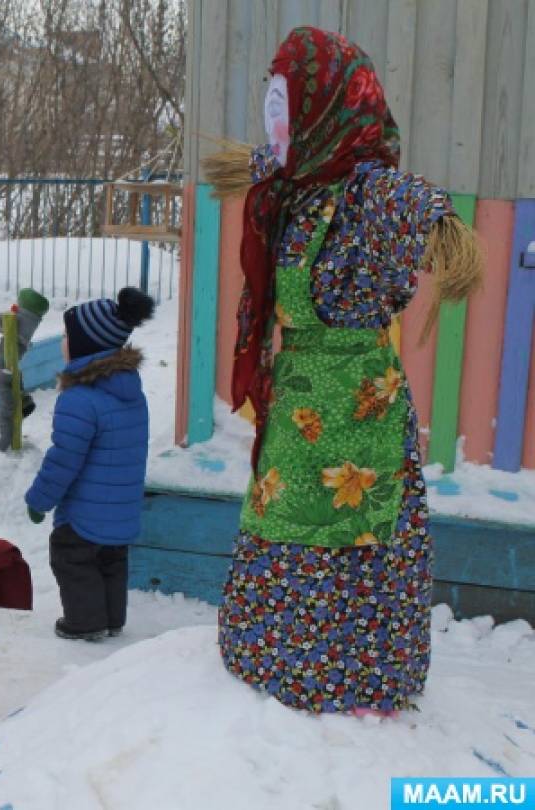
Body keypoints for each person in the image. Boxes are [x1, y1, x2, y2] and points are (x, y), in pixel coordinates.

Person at [207, 27, 481, 714]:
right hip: (299, 396)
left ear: (328, 108)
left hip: (356, 403)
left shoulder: (367, 191)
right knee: (282, 520)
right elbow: (248, 169)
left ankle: (357, 679)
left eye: (285, 104)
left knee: (351, 533)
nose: (274, 121)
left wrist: (449, 239)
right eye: (273, 102)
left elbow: (421, 207)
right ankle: (267, 654)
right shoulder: (293, 186)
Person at [25, 288, 154, 640]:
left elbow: (63, 460)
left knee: (72, 558)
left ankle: (84, 623)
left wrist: (39, 500)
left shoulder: (79, 398)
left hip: (85, 511)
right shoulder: (129, 390)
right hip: (121, 508)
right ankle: (112, 619)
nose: (63, 341)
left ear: (85, 345)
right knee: (111, 560)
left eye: (68, 335)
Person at [0, 288, 50, 452]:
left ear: (24, 305)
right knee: (8, 379)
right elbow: (1, 315)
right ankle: (23, 399)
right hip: (10, 355)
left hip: (7, 356)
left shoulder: (19, 317)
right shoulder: (29, 319)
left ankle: (6, 439)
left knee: (5, 391)